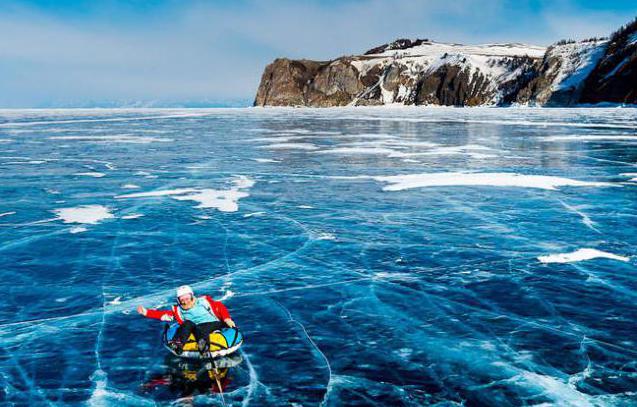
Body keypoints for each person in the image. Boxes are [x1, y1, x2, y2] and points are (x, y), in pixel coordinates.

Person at [137, 285, 236, 355]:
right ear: (179, 301)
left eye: (187, 299)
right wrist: (146, 312)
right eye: (182, 300)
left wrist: (227, 319)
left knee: (202, 328)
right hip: (194, 327)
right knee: (187, 323)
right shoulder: (178, 310)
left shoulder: (203, 302)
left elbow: (219, 306)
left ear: (192, 297)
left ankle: (204, 346)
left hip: (212, 323)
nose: (185, 302)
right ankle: (178, 345)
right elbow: (163, 315)